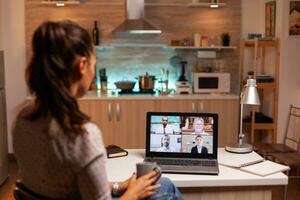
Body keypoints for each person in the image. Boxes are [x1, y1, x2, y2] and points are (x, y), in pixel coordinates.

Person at [13, 20, 183, 200]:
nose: (93, 72)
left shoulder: (24, 118)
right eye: (94, 64)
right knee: (167, 187)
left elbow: (64, 183)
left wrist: (121, 186)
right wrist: (134, 193)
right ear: (82, 65)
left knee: (161, 184)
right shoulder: (82, 135)